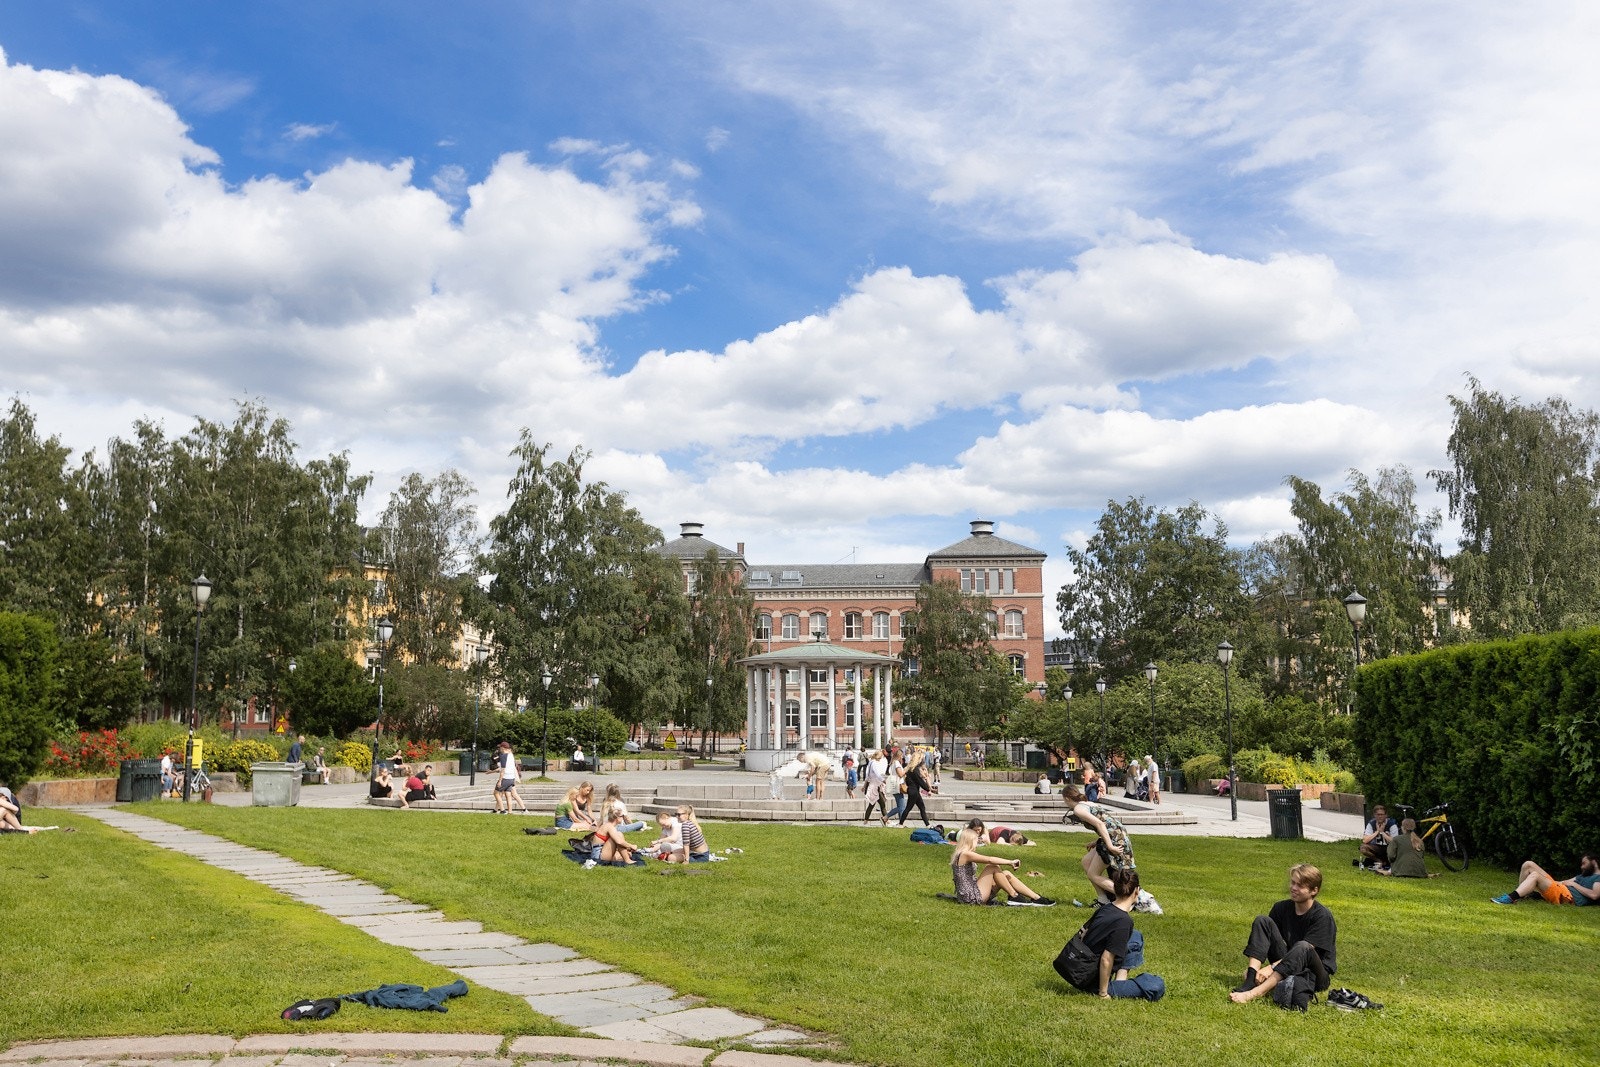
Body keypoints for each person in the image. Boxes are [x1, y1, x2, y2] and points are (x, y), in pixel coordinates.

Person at [1229, 863, 1337, 1007]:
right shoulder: (1281, 908)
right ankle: (1250, 979)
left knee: (1302, 946)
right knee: (1262, 921)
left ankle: (1255, 993)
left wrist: (1271, 968)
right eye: (1293, 882)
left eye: (1300, 885)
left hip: (1315, 974)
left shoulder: (1322, 916)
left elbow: (1304, 952)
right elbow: (1267, 941)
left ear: (1314, 890)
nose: (1293, 888)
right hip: (1288, 963)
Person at [1053, 867, 1165, 1000]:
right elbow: (1106, 959)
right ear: (1137, 891)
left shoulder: (1106, 908)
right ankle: (1111, 988)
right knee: (1156, 985)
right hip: (1089, 980)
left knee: (1135, 936)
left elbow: (1084, 935)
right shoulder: (1123, 921)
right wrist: (1103, 993)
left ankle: (1120, 982)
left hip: (1078, 965)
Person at [948, 819, 1054, 906]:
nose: (978, 843)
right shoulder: (965, 854)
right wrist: (1010, 861)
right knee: (991, 866)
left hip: (973, 890)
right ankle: (1014, 896)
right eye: (976, 840)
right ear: (970, 841)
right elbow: (989, 859)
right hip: (969, 897)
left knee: (1006, 874)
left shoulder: (964, 854)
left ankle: (1036, 898)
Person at [1062, 783, 1134, 901]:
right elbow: (1108, 823)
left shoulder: (1078, 809)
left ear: (1067, 798)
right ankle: (1103, 900)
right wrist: (1097, 841)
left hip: (1115, 838)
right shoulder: (1088, 803)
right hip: (1117, 833)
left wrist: (1110, 846)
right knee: (1086, 862)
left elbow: (1100, 824)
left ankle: (1129, 896)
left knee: (1093, 874)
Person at [1491, 852, 1599, 906]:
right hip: (1561, 888)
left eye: (1584, 863)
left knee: (1535, 875)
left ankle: (1511, 898)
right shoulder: (1584, 875)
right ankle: (1522, 894)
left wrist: (1574, 885)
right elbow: (1564, 882)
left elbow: (1594, 895)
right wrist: (1548, 882)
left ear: (1594, 862)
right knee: (1528, 864)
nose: (1582, 867)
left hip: (1567, 896)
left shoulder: (1598, 877)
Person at [1359, 805, 1398, 870]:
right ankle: (1379, 861)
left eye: (1382, 814)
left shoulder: (1392, 825)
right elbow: (1365, 840)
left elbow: (1395, 842)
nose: (1380, 816)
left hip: (1389, 848)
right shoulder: (1371, 823)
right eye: (1378, 814)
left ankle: (1389, 862)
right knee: (1363, 848)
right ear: (1374, 815)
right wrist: (1377, 831)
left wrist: (1382, 832)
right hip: (1376, 847)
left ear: (1386, 815)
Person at [898, 754, 933, 827]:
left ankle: (927, 825)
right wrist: (928, 789)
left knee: (921, 807)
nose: (922, 761)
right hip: (914, 791)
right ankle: (900, 824)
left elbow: (909, 780)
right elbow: (920, 781)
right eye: (921, 759)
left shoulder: (909, 769)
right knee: (909, 808)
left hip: (913, 791)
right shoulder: (915, 769)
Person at [862, 749, 890, 825]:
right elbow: (878, 774)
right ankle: (885, 820)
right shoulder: (874, 763)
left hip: (874, 785)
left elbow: (867, 776)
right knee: (877, 804)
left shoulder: (871, 762)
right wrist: (884, 780)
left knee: (878, 804)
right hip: (875, 786)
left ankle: (867, 820)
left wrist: (864, 786)